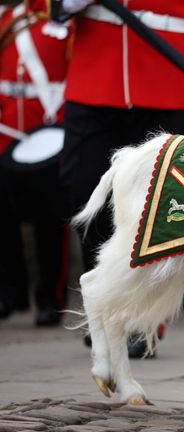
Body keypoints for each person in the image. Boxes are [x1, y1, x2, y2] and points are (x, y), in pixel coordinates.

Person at [31, 0, 184, 355]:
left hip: (168, 77)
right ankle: (103, 305)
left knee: (157, 203)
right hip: (95, 77)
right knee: (86, 192)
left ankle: (143, 318)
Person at [0, 0, 69, 325]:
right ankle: (10, 293)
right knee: (4, 218)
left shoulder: (67, 25)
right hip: (7, 130)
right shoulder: (10, 21)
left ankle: (49, 299)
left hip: (50, 131)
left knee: (50, 222)